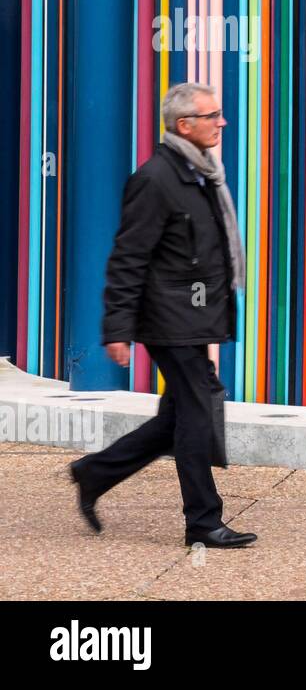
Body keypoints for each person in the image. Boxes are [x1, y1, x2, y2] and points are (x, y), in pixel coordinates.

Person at [69, 83, 257, 549]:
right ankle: (203, 521)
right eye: (212, 115)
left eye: (219, 114)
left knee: (178, 417)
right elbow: (128, 256)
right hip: (168, 318)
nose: (222, 122)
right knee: (196, 413)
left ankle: (93, 472)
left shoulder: (200, 173)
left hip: (193, 314)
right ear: (184, 125)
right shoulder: (155, 179)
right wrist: (117, 326)